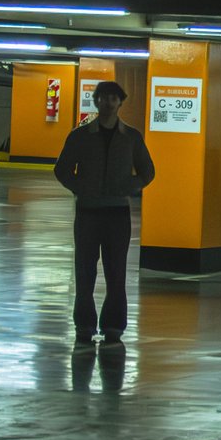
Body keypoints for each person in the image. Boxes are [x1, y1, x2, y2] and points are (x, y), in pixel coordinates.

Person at [53, 81, 155, 347]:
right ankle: (84, 325)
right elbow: (62, 169)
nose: (108, 103)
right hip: (87, 212)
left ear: (120, 103)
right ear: (96, 101)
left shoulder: (131, 137)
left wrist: (129, 187)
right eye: (103, 98)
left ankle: (113, 326)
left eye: (113, 98)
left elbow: (148, 171)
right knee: (84, 272)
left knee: (116, 273)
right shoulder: (80, 136)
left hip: (117, 214)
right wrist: (81, 188)